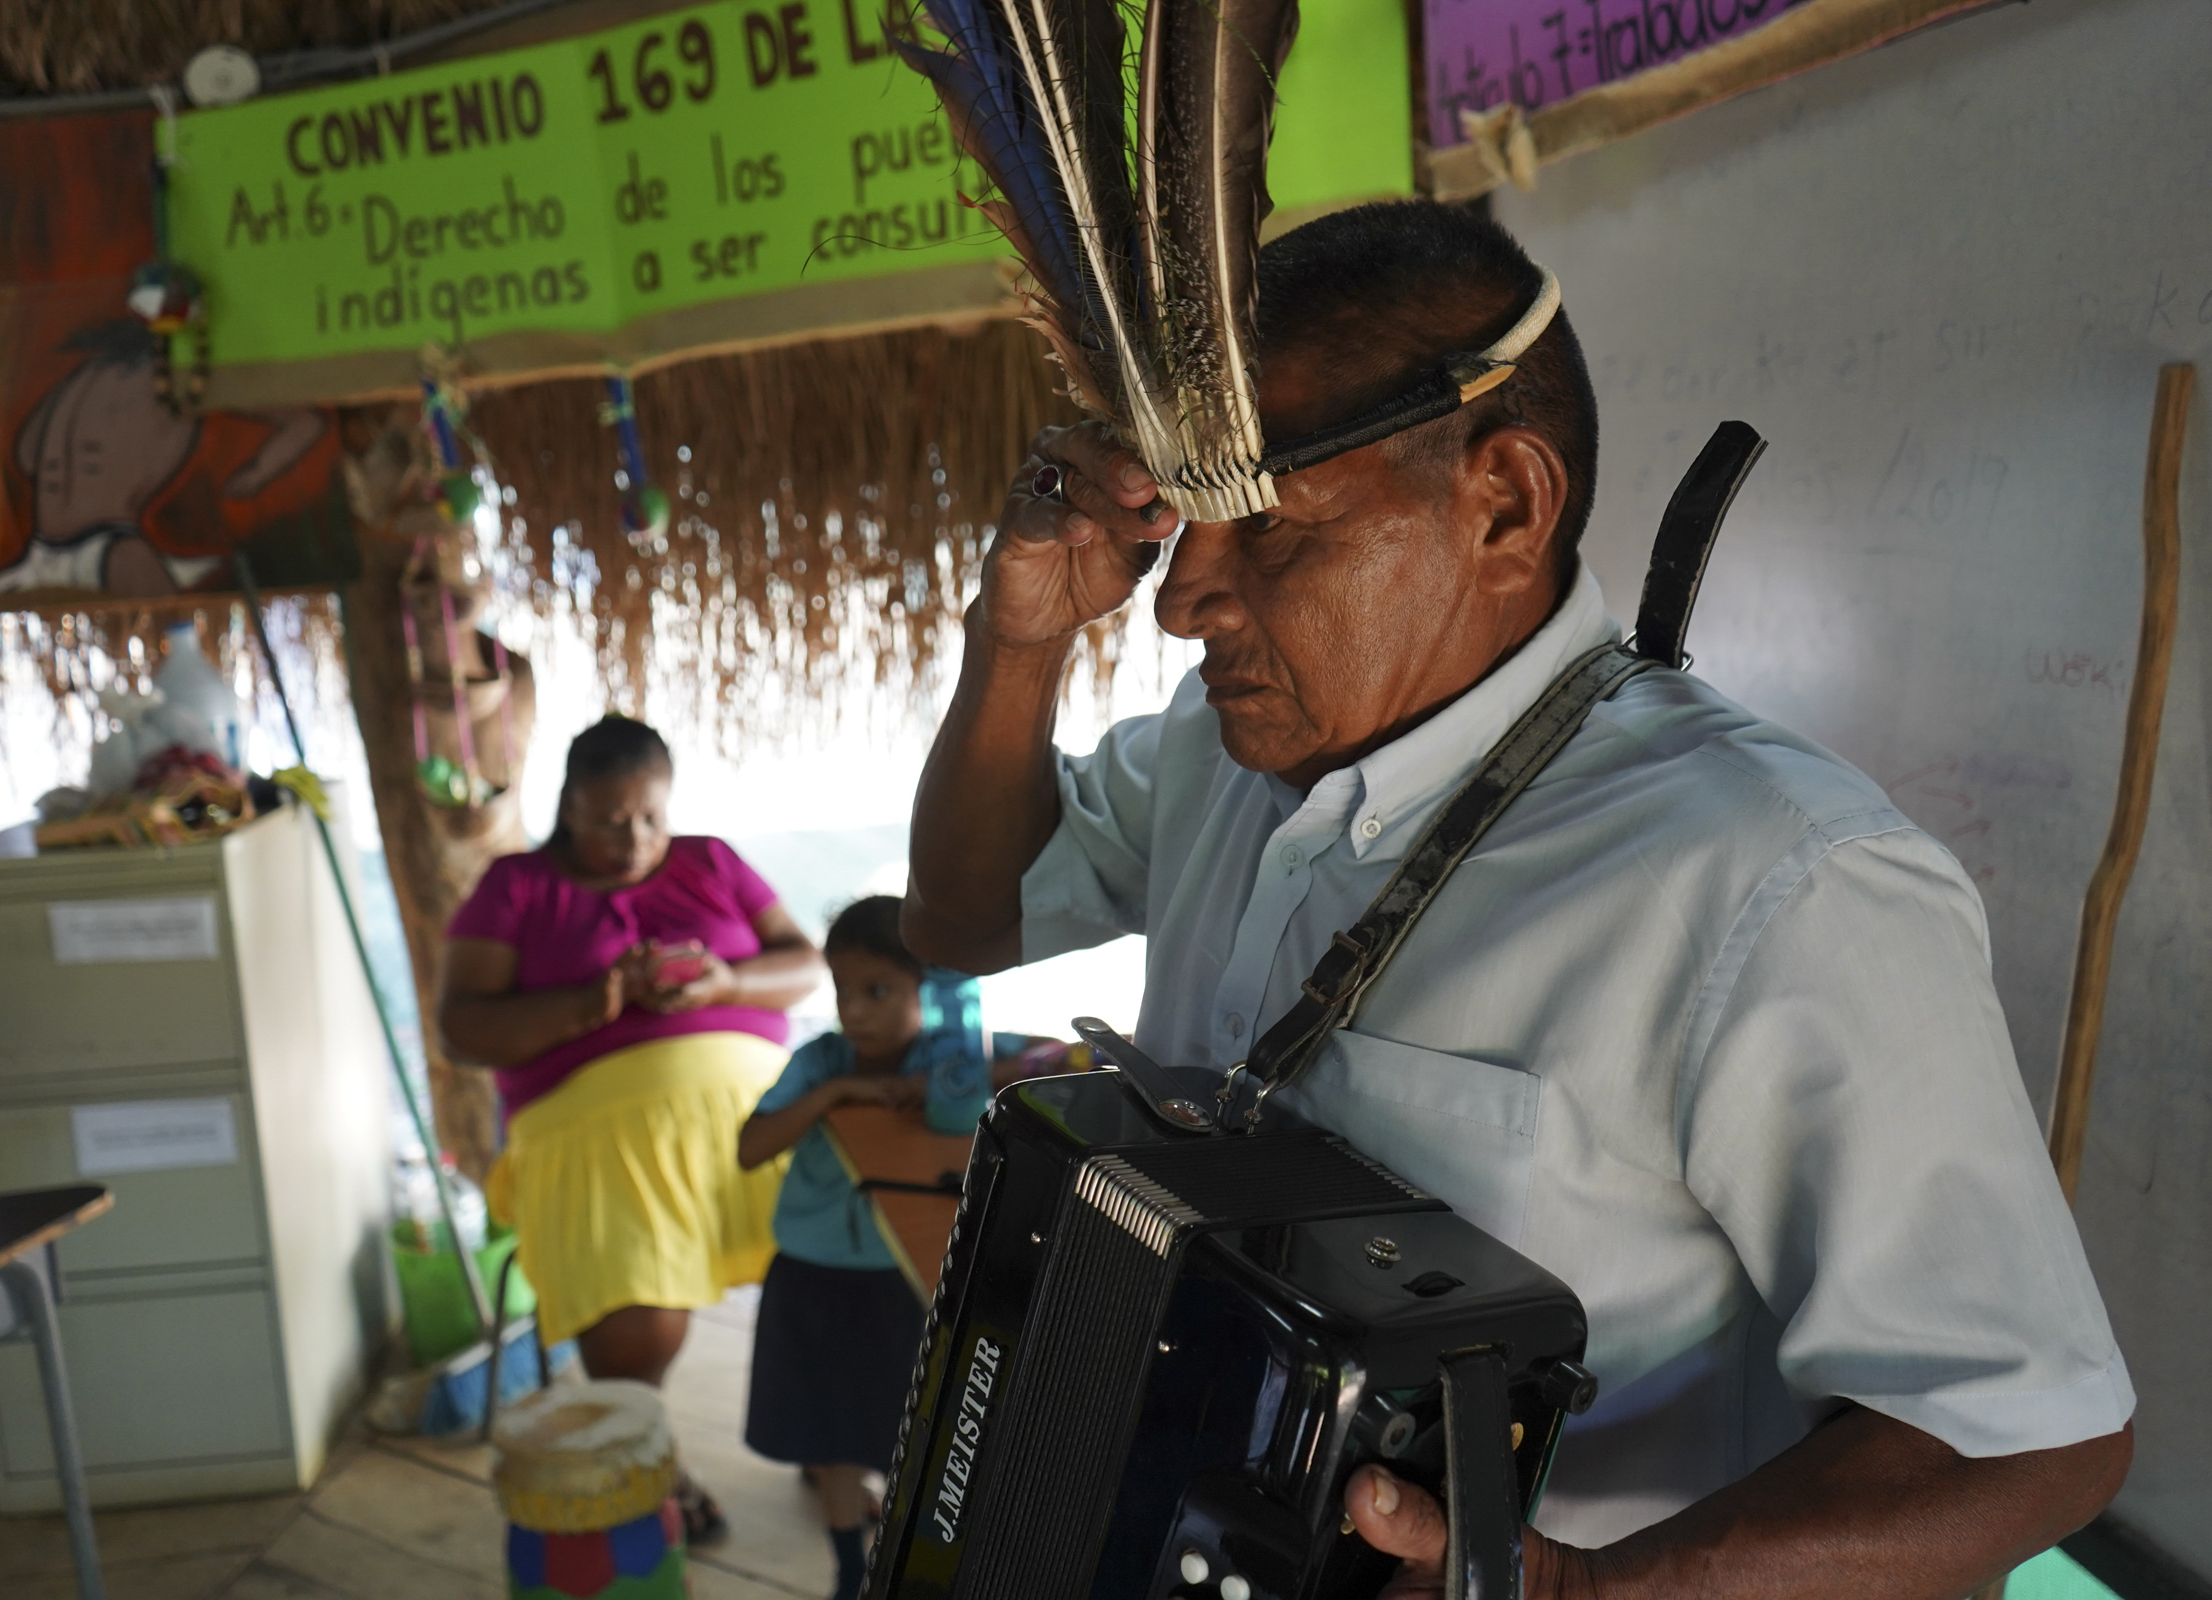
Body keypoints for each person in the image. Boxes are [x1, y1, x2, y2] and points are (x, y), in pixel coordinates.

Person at [902, 200, 2132, 1598]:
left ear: (1505, 503)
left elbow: (2026, 1441)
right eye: (1186, 524)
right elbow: (962, 923)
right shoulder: (1218, 749)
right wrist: (1015, 645)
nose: (1183, 600)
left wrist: (1577, 1588)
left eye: (1270, 530)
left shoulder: (1778, 877)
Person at [441, 714, 824, 1541]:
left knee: (836, 1265)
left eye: (652, 816)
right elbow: (462, 1029)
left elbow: (807, 963)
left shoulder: (709, 860)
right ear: (568, 808)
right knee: (637, 1310)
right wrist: (592, 1004)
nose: (637, 838)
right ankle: (650, 1458)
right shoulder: (515, 886)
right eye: (612, 820)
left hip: (752, 1109)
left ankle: (828, 1447)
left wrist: (724, 981)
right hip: (589, 1128)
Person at [737, 895, 1064, 1600]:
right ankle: (847, 1565)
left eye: (878, 991)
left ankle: (892, 1542)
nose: (854, 1010)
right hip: (812, 1279)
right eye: (843, 990)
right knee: (829, 1441)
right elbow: (749, 1147)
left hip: (908, 1280)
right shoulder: (821, 1061)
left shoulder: (953, 1053)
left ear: (934, 994)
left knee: (908, 1426)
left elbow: (1065, 1058)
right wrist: (837, 1093)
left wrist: (983, 1075)